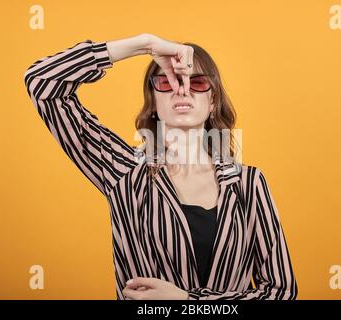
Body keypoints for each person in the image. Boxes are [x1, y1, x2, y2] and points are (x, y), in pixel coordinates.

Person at [24, 33, 298, 300]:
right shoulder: (125, 172)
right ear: (153, 102)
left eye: (198, 82)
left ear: (213, 102)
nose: (182, 89)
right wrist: (145, 44)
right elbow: (43, 82)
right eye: (166, 83)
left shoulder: (247, 183)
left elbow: (281, 292)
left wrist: (188, 302)